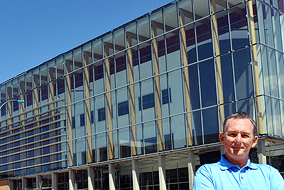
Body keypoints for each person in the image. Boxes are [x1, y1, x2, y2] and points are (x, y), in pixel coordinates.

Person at [193, 111, 284, 190]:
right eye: (233, 134)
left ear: (254, 141)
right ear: (222, 138)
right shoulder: (207, 173)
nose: (238, 141)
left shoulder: (270, 174)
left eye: (245, 135)